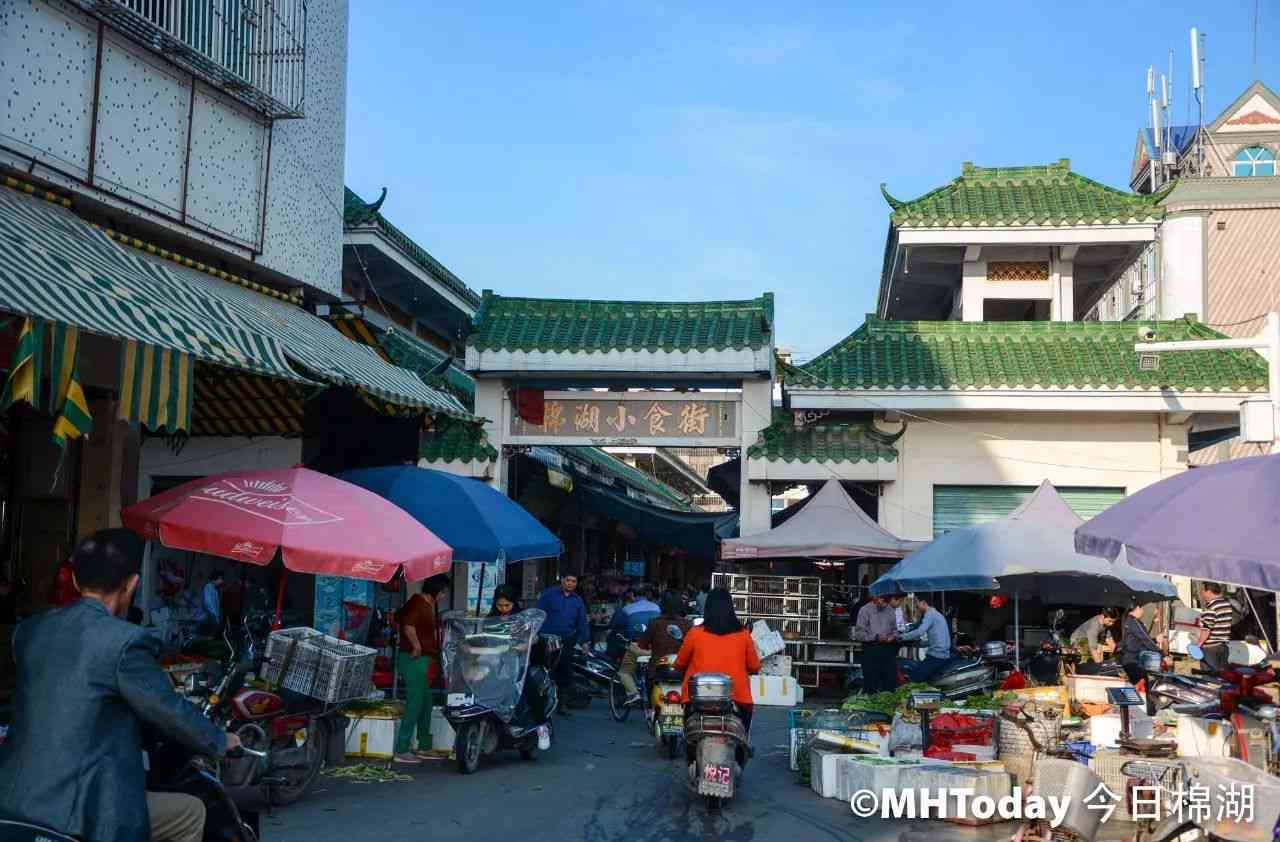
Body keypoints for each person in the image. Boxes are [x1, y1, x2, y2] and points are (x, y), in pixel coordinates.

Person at [0, 529, 238, 842]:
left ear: (74, 580)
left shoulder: (28, 632)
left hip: (14, 801)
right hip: (84, 812)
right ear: (131, 585)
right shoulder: (126, 642)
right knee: (190, 812)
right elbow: (168, 710)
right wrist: (220, 740)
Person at [674, 588, 761, 731]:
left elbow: (680, 663)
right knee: (741, 737)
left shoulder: (695, 633)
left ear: (708, 608)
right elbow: (754, 666)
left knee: (689, 737)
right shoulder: (743, 635)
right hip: (736, 698)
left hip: (697, 698)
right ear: (730, 608)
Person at [394, 574, 450, 764]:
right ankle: (401, 749)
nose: (443, 596)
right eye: (443, 592)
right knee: (415, 702)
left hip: (423, 659)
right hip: (414, 659)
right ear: (437, 591)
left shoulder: (424, 604)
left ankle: (424, 746)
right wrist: (417, 646)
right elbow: (408, 626)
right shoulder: (417, 603)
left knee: (426, 702)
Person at [537, 573, 589, 715]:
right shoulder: (549, 594)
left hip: (566, 640)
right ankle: (541, 702)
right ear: (562, 581)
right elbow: (538, 613)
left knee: (565, 670)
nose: (570, 583)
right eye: (568, 580)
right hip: (547, 639)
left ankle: (562, 704)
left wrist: (585, 641)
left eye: (573, 581)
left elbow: (582, 622)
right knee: (545, 669)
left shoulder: (578, 601)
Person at [614, 586, 661, 705]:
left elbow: (617, 626)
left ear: (632, 595)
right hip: (654, 647)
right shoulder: (656, 607)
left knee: (624, 672)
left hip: (636, 646)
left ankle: (633, 694)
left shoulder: (627, 609)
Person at [637, 593, 694, 691]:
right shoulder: (688, 624)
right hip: (682, 670)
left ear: (662, 606)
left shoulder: (654, 623)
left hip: (657, 670)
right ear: (680, 606)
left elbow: (642, 644)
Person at [895, 594, 952, 683]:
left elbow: (919, 631)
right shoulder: (936, 614)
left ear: (923, 603)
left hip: (936, 655)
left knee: (913, 680)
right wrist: (920, 644)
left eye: (917, 602)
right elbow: (936, 637)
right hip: (943, 654)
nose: (916, 606)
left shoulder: (930, 614)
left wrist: (900, 637)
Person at [853, 593, 898, 693]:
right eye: (882, 601)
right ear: (875, 598)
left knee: (890, 682)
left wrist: (893, 636)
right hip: (870, 649)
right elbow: (859, 634)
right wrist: (875, 637)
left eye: (886, 602)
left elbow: (894, 629)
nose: (885, 605)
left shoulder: (890, 610)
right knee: (870, 683)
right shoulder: (865, 610)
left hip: (887, 649)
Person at [1118, 601, 1165, 684]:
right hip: (1133, 660)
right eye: (1142, 608)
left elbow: (1138, 640)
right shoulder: (1134, 622)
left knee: (1138, 685)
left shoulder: (1127, 620)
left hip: (1129, 658)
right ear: (1137, 609)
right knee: (1142, 686)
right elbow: (1145, 639)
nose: (1143, 611)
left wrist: (1155, 640)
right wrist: (1161, 653)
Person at [1198, 582, 1233, 673]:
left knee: (1209, 678)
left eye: (1203, 591)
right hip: (1223, 646)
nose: (1201, 594)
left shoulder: (1210, 607)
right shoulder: (1227, 604)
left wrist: (1198, 645)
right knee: (1222, 677)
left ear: (1209, 591)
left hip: (1210, 648)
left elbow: (1206, 631)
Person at [200, 570, 223, 636]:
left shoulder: (214, 589)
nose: (221, 581)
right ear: (215, 579)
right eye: (220, 579)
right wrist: (214, 614)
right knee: (209, 635)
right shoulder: (208, 587)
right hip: (210, 615)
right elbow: (208, 602)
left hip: (213, 615)